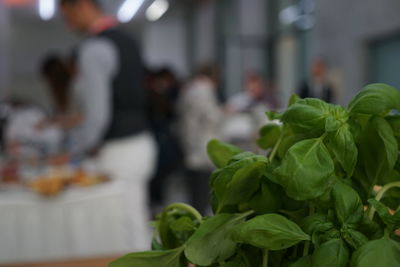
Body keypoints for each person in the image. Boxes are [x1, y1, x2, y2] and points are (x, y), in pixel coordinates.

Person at [59, 0, 156, 248]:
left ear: (81, 5)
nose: (67, 23)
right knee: (133, 221)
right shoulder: (129, 40)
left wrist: (74, 153)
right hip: (141, 142)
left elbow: (98, 116)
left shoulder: (94, 48)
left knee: (119, 231)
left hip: (117, 151)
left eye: (67, 15)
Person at [178, 65, 222, 214]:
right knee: (202, 191)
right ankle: (199, 222)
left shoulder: (189, 88)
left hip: (190, 143)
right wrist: (224, 111)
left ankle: (194, 217)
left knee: (193, 191)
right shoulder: (204, 89)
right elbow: (212, 116)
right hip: (203, 145)